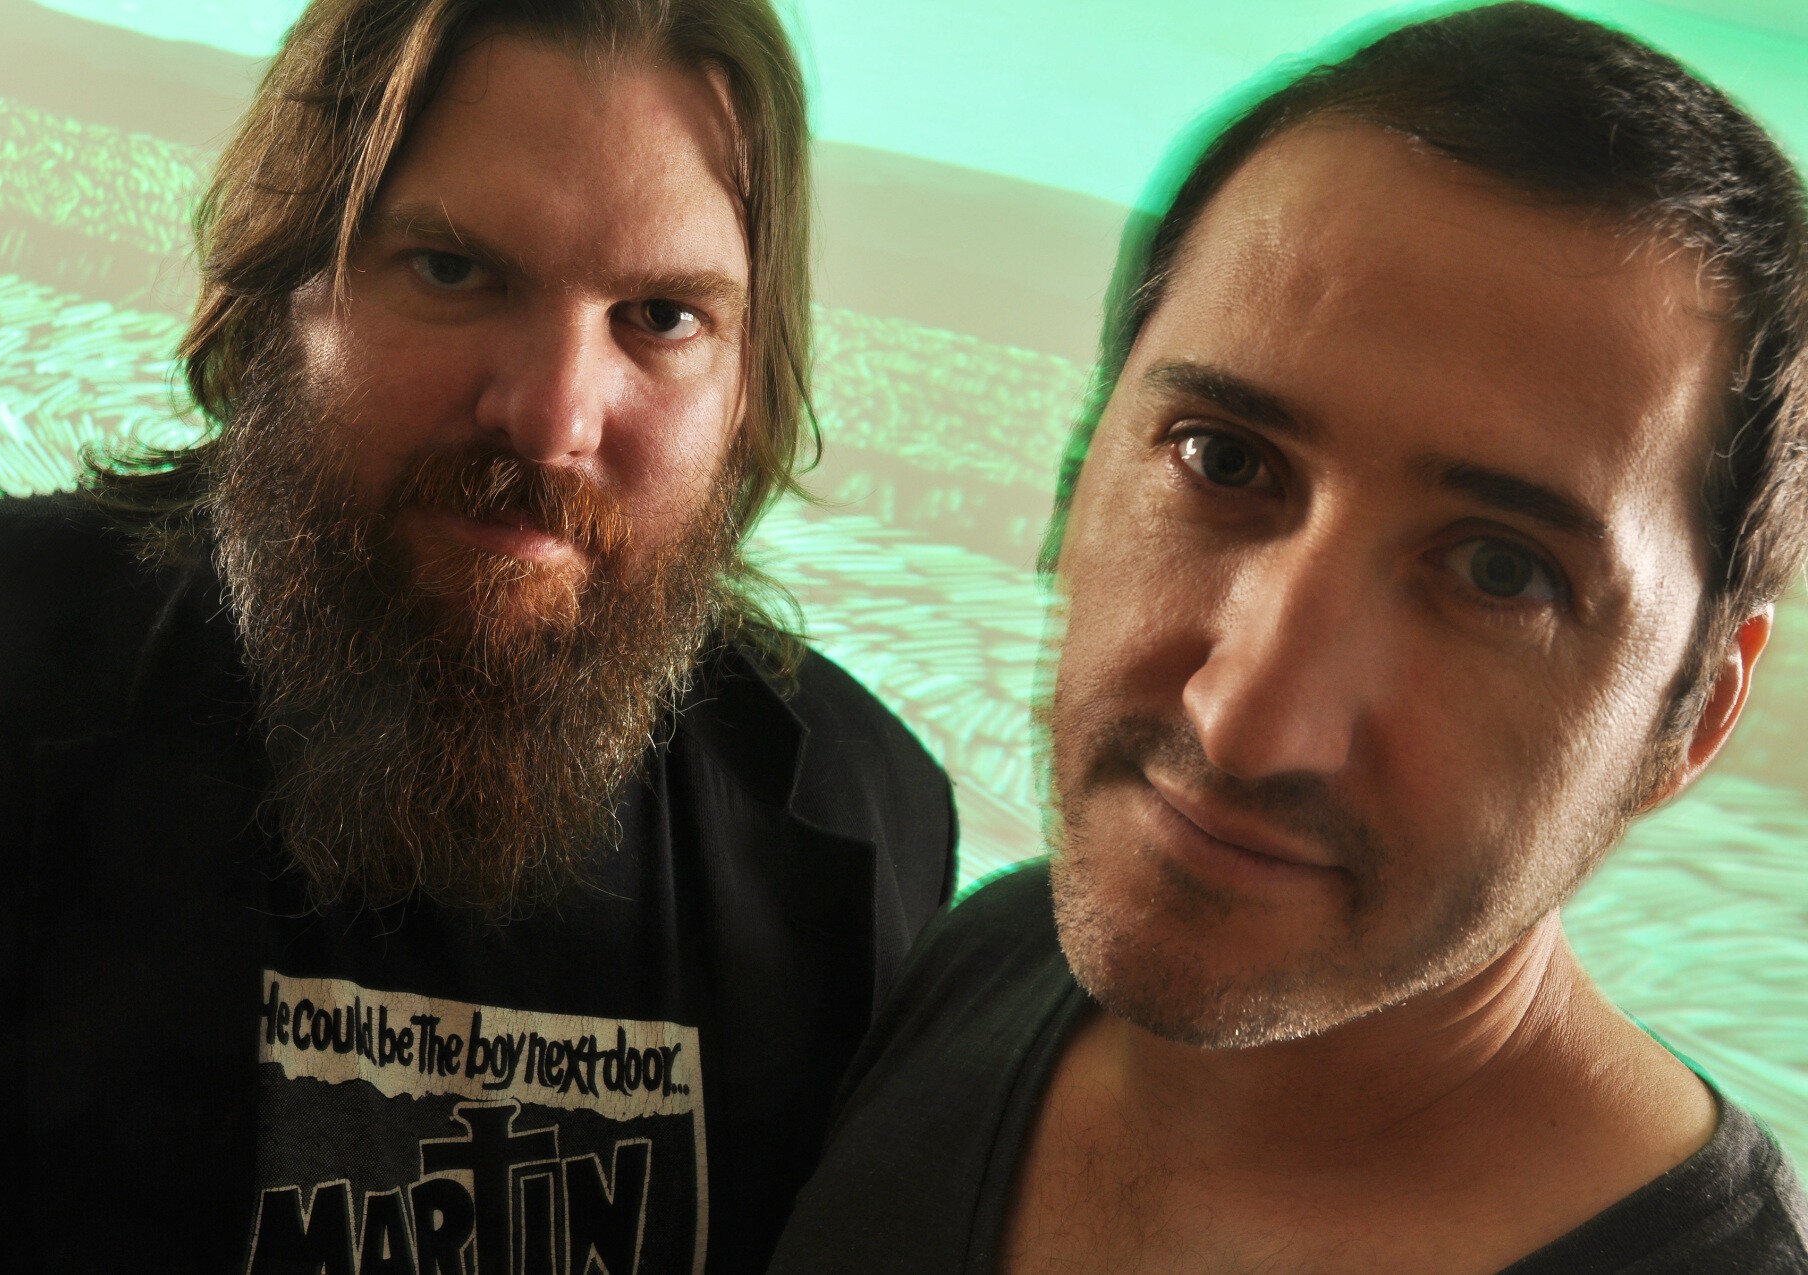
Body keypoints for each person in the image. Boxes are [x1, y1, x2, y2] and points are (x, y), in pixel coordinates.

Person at [0, 0, 956, 1270]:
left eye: (663, 316)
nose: (552, 418)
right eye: (454, 270)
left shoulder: (867, 822)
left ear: (745, 390)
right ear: (282, 289)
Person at [768, 4, 1808, 1271]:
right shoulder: (993, 960)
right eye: (1223, 459)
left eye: (1499, 571)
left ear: (1693, 717)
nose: (1246, 723)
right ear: (1075, 481)